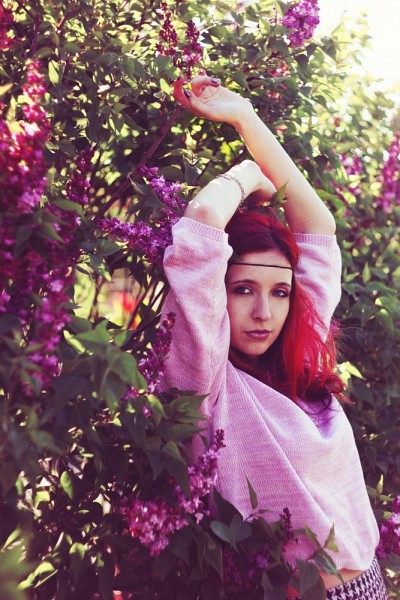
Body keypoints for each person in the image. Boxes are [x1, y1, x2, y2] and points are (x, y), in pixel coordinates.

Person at [159, 72, 387, 599]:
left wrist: (244, 115)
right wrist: (246, 175)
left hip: (371, 586)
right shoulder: (207, 380)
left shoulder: (298, 350)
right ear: (216, 290)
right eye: (243, 289)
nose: (265, 312)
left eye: (280, 292)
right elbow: (203, 221)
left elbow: (318, 226)